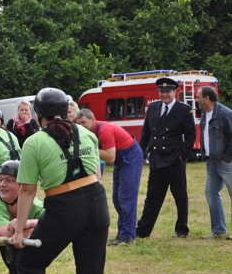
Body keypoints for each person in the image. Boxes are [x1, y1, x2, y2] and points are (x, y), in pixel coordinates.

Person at [12, 87, 109, 274]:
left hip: (65, 206)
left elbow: (28, 190)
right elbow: (96, 176)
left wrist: (19, 231)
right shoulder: (87, 133)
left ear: (39, 113)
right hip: (97, 202)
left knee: (29, 264)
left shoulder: (34, 141)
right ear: (67, 110)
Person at [136, 77, 195, 239]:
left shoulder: (183, 109)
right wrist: (142, 152)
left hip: (175, 160)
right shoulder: (153, 108)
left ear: (174, 92)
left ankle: (181, 229)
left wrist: (183, 156)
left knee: (180, 197)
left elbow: (191, 135)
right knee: (152, 198)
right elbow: (146, 132)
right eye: (161, 92)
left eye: (167, 91)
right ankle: (143, 231)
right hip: (156, 159)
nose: (164, 94)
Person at [76, 108, 143, 245]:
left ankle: (127, 236)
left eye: (84, 123)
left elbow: (110, 157)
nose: (81, 127)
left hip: (130, 157)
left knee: (126, 197)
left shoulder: (104, 130)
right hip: (121, 159)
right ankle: (123, 233)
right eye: (79, 124)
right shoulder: (89, 132)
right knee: (117, 199)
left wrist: (88, 148)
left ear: (93, 119)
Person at [196, 86, 232, 240]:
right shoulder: (204, 114)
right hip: (211, 162)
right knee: (211, 194)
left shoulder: (226, 114)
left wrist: (227, 158)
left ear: (207, 99)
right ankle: (218, 230)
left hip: (226, 162)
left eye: (198, 97)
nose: (196, 100)